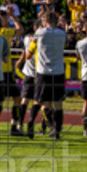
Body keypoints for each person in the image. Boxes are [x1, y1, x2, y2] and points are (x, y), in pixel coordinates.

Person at [25, 11, 68, 140]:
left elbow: (29, 55)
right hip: (58, 71)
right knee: (58, 103)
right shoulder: (62, 34)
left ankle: (31, 123)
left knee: (38, 100)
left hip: (42, 71)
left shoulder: (39, 33)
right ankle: (57, 132)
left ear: (45, 20)